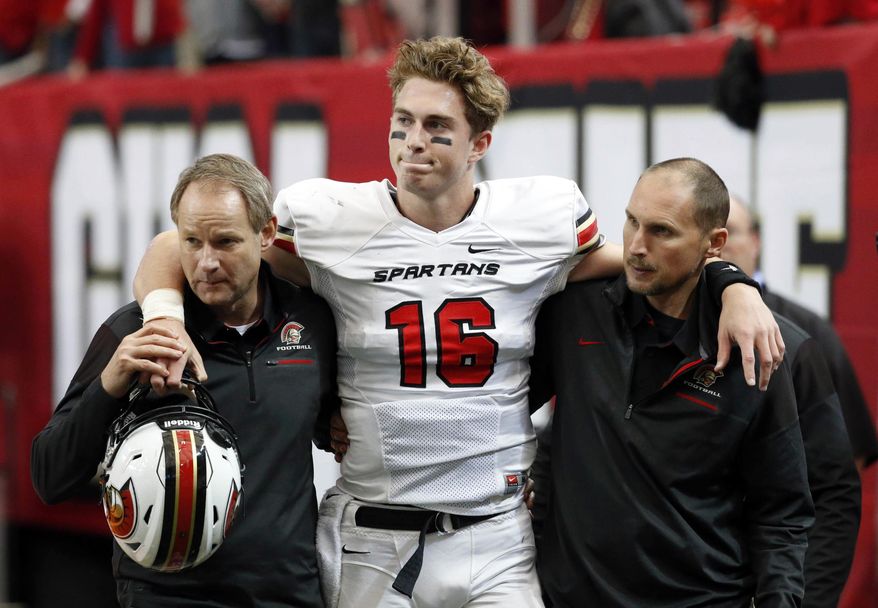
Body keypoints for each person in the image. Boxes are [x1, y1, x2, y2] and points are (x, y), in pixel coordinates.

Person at [132, 37, 784, 607]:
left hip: (496, 531)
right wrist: (163, 316)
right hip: (371, 534)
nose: (414, 141)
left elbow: (646, 266)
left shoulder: (540, 217)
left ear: (480, 143)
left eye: (437, 125)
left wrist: (732, 284)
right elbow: (182, 245)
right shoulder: (329, 217)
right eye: (403, 121)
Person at [31, 153, 339, 607]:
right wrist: (110, 383)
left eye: (226, 242)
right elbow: (49, 476)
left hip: (288, 593)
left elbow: (325, 423)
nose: (207, 262)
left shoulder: (311, 321)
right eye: (192, 242)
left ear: (267, 234)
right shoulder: (136, 332)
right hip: (168, 596)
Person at [528, 158, 814, 607]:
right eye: (631, 221)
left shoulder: (753, 349)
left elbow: (781, 512)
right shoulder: (574, 310)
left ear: (713, 243)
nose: (636, 246)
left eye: (661, 231)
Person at [724, 194, 878, 470]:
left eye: (730, 231)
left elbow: (847, 457)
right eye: (710, 234)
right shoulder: (675, 322)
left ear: (755, 241)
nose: (719, 244)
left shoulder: (808, 331)